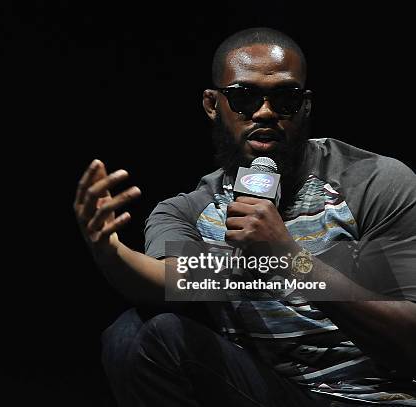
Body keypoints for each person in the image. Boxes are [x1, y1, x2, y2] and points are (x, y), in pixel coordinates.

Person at [73, 27, 416, 406]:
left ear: (305, 105)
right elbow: (167, 281)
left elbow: (409, 342)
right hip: (273, 393)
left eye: (285, 98)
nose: (265, 112)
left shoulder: (374, 182)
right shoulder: (190, 210)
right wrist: (108, 251)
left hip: (374, 397)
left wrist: (288, 259)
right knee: (134, 334)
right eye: (244, 97)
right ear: (211, 104)